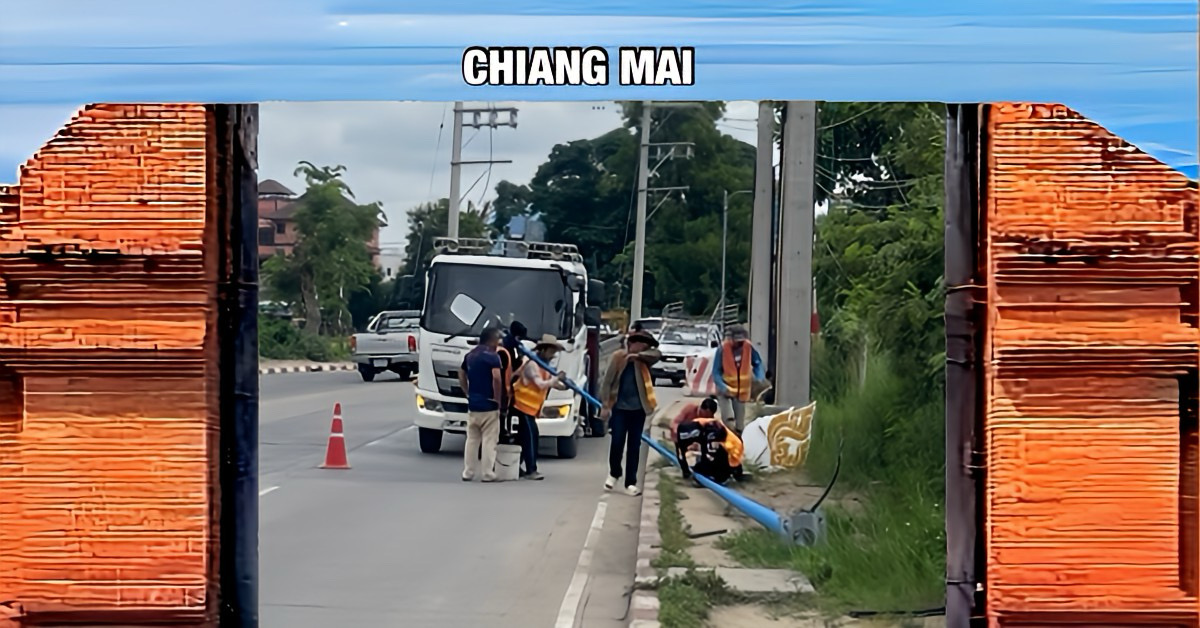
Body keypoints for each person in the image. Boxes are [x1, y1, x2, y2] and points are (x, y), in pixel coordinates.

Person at [599, 329, 662, 496]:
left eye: (644, 345)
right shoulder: (618, 358)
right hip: (619, 407)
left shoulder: (644, 361)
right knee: (617, 441)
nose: (641, 347)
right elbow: (607, 383)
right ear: (631, 343)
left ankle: (631, 482)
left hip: (639, 409)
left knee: (634, 446)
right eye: (639, 344)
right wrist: (605, 405)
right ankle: (614, 473)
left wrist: (639, 357)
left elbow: (657, 354)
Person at [511, 334, 568, 481]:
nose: (553, 355)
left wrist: (564, 384)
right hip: (521, 404)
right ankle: (531, 470)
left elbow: (553, 384)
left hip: (530, 408)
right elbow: (540, 384)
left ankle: (515, 466)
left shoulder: (545, 367)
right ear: (543, 350)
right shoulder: (532, 365)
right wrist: (556, 379)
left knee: (525, 438)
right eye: (551, 351)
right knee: (530, 437)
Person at [458, 327, 504, 483]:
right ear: (492, 340)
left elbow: (461, 373)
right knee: (489, 440)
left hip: (474, 404)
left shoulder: (470, 355)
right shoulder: (493, 357)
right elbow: (497, 378)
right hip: (489, 405)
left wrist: (467, 392)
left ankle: (468, 472)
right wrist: (497, 399)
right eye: (497, 339)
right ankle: (487, 473)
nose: (499, 343)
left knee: (472, 439)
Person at [712, 325, 765, 434]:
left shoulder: (748, 348)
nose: (739, 344)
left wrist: (759, 378)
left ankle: (739, 443)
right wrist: (723, 387)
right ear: (730, 339)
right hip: (725, 391)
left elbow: (757, 363)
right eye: (737, 341)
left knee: (740, 426)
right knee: (729, 420)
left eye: (741, 341)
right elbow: (716, 372)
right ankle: (729, 443)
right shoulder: (722, 349)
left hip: (741, 393)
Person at [674, 409, 746, 485]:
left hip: (728, 456)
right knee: (704, 459)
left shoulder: (729, 443)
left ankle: (715, 476)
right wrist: (685, 470)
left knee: (712, 465)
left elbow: (712, 454)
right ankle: (707, 473)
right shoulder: (700, 425)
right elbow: (681, 452)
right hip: (709, 438)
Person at [497, 321, 527, 444]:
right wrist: (521, 362)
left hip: (503, 382)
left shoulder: (506, 343)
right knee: (504, 409)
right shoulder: (507, 348)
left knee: (504, 409)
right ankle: (503, 432)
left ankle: (504, 430)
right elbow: (510, 367)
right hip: (504, 383)